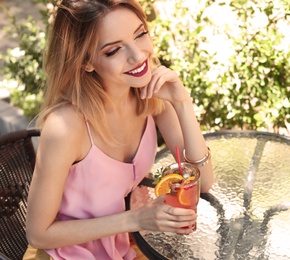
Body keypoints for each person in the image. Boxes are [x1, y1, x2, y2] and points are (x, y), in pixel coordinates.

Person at [23, 0, 214, 259]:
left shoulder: (153, 98)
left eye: (140, 34)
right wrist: (135, 219)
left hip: (123, 244)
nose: (137, 56)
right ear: (86, 62)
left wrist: (182, 102)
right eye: (113, 51)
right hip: (65, 253)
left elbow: (203, 183)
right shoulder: (66, 127)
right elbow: (39, 234)